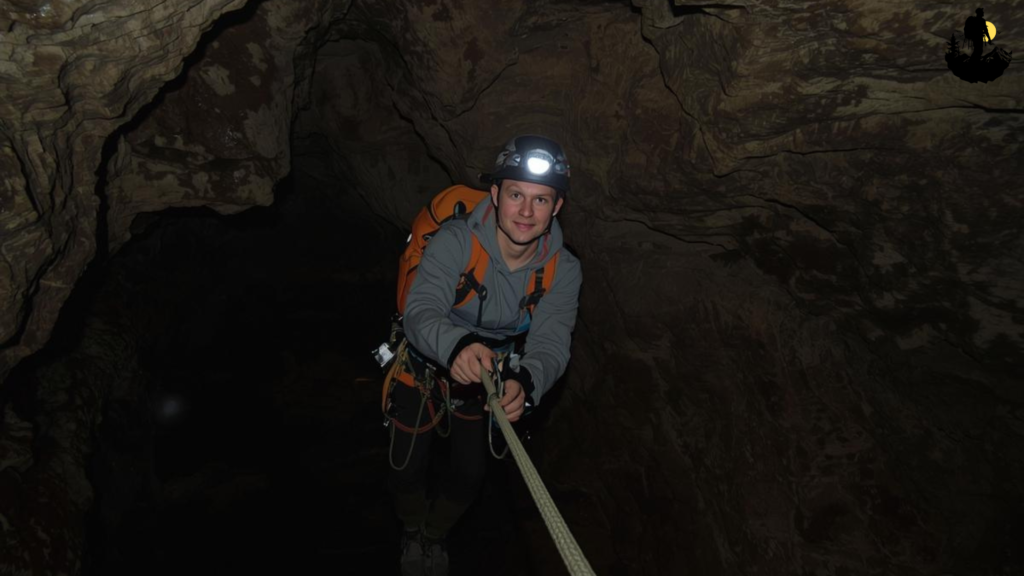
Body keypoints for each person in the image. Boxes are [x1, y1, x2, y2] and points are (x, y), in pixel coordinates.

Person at [388, 135, 582, 575]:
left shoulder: (564, 270)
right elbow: (421, 309)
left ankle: (434, 534)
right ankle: (412, 529)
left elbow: (552, 340)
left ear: (557, 207)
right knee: (404, 467)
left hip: (488, 379)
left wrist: (528, 381)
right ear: (495, 195)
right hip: (426, 363)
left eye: (540, 199)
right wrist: (455, 346)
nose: (526, 212)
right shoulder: (457, 240)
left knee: (470, 474)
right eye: (515, 195)